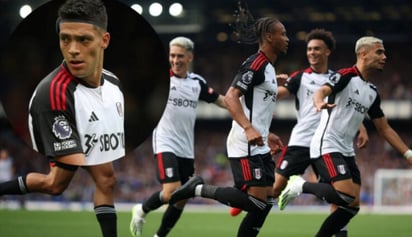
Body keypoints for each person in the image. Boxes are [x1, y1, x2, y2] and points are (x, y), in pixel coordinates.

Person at [0, 0, 124, 236]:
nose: (73, 49)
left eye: (84, 39)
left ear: (104, 41)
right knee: (55, 184)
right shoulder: (53, 94)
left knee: (106, 179)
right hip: (58, 118)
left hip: (84, 122)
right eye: (65, 39)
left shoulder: (114, 83)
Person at [230, 28, 369, 237]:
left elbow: (348, 106)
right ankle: (246, 193)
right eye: (309, 49)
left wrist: (361, 127)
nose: (312, 53)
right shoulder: (300, 77)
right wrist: (265, 88)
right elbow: (274, 94)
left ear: (327, 52)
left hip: (326, 143)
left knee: (339, 198)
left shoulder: (338, 78)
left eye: (316, 49)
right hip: (301, 142)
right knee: (275, 190)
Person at [279, 36, 412, 237]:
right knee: (345, 196)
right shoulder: (345, 75)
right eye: (379, 52)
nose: (384, 56)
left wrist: (408, 154)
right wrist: (318, 102)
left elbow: (384, 129)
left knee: (352, 205)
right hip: (327, 145)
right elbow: (322, 91)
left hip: (346, 150)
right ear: (363, 54)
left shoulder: (372, 92)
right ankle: (300, 185)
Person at [169, 14, 288, 237]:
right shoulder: (256, 63)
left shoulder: (269, 68)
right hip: (246, 143)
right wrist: (248, 128)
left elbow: (258, 107)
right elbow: (232, 97)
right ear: (269, 37)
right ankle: (197, 188)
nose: (287, 38)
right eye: (283, 34)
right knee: (255, 203)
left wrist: (266, 132)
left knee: (268, 198)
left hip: (259, 142)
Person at [129, 36, 226, 237]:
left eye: (180, 56)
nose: (175, 60)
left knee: (182, 199)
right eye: (172, 55)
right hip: (166, 142)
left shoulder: (197, 83)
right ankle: (141, 209)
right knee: (171, 191)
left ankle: (159, 235)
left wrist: (247, 107)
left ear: (190, 57)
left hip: (186, 149)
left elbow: (222, 101)